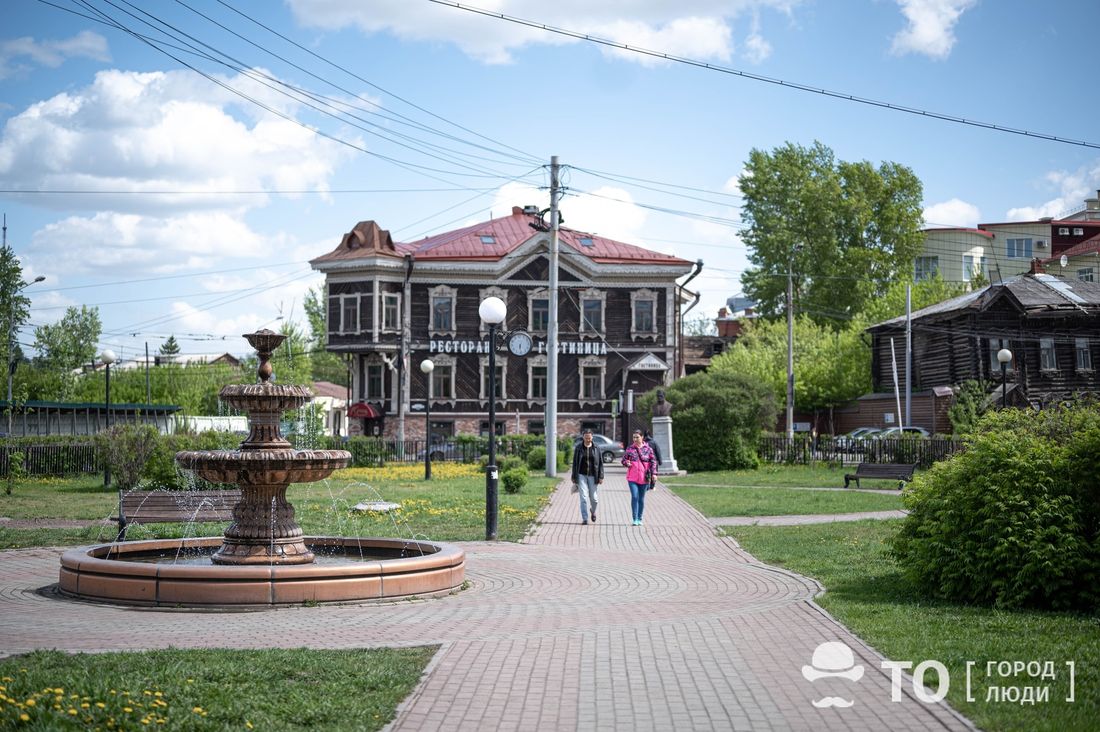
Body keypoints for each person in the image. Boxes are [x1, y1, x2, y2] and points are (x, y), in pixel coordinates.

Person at [622, 429, 658, 526]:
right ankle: (634, 519)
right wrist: (627, 463)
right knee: (634, 496)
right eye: (634, 437)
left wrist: (654, 473)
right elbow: (623, 460)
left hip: (644, 478)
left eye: (637, 437)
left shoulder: (648, 449)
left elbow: (653, 462)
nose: (635, 439)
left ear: (642, 437)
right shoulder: (630, 448)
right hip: (632, 478)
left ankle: (639, 517)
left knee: (641, 499)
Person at [571, 429, 603, 524]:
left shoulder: (596, 448)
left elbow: (600, 463)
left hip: (593, 475)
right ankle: (585, 518)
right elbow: (575, 463)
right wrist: (573, 475)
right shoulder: (578, 448)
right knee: (583, 497)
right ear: (583, 437)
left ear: (592, 437)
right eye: (586, 438)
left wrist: (601, 476)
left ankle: (593, 511)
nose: (588, 440)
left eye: (589, 438)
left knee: (594, 498)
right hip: (581, 475)